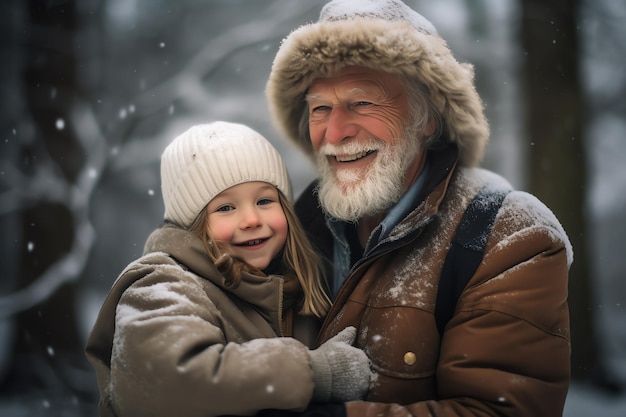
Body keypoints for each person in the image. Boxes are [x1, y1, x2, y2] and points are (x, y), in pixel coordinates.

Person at [264, 0, 573, 416]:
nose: (334, 133)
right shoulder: (277, 233)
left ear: (429, 117)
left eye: (363, 103)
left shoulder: (507, 235)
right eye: (320, 108)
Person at [84, 121, 373, 417]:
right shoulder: (162, 283)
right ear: (193, 224)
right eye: (225, 208)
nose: (250, 219)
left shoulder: (301, 285)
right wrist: (316, 373)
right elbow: (168, 382)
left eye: (264, 200)